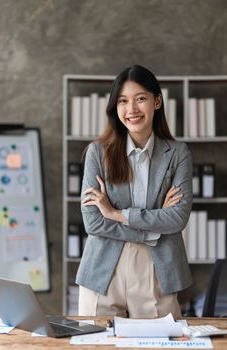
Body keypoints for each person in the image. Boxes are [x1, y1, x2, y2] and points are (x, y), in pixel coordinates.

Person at [76, 64, 193, 319]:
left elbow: (178, 218)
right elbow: (93, 222)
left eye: (141, 99)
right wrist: (153, 225)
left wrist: (116, 213)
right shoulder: (98, 153)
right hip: (103, 271)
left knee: (159, 345)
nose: (132, 110)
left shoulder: (178, 154)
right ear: (115, 108)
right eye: (123, 101)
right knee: (96, 345)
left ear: (157, 101)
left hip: (157, 269)